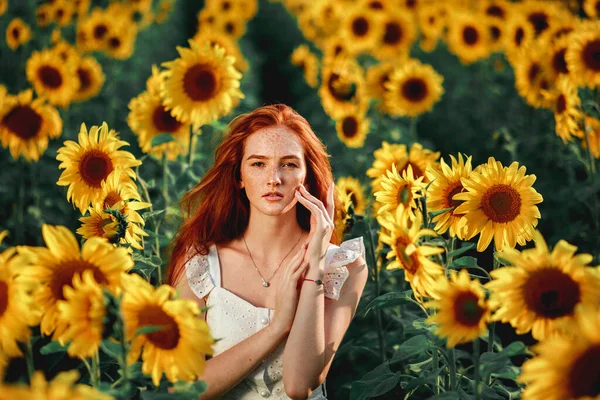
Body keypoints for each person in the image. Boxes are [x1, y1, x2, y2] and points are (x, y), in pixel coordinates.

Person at [167, 104, 369, 400]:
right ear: (238, 176)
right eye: (258, 164)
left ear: (308, 177)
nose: (274, 178)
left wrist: (314, 263)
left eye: (289, 164)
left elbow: (300, 385)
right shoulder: (199, 263)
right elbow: (182, 388)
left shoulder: (343, 266)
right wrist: (276, 328)